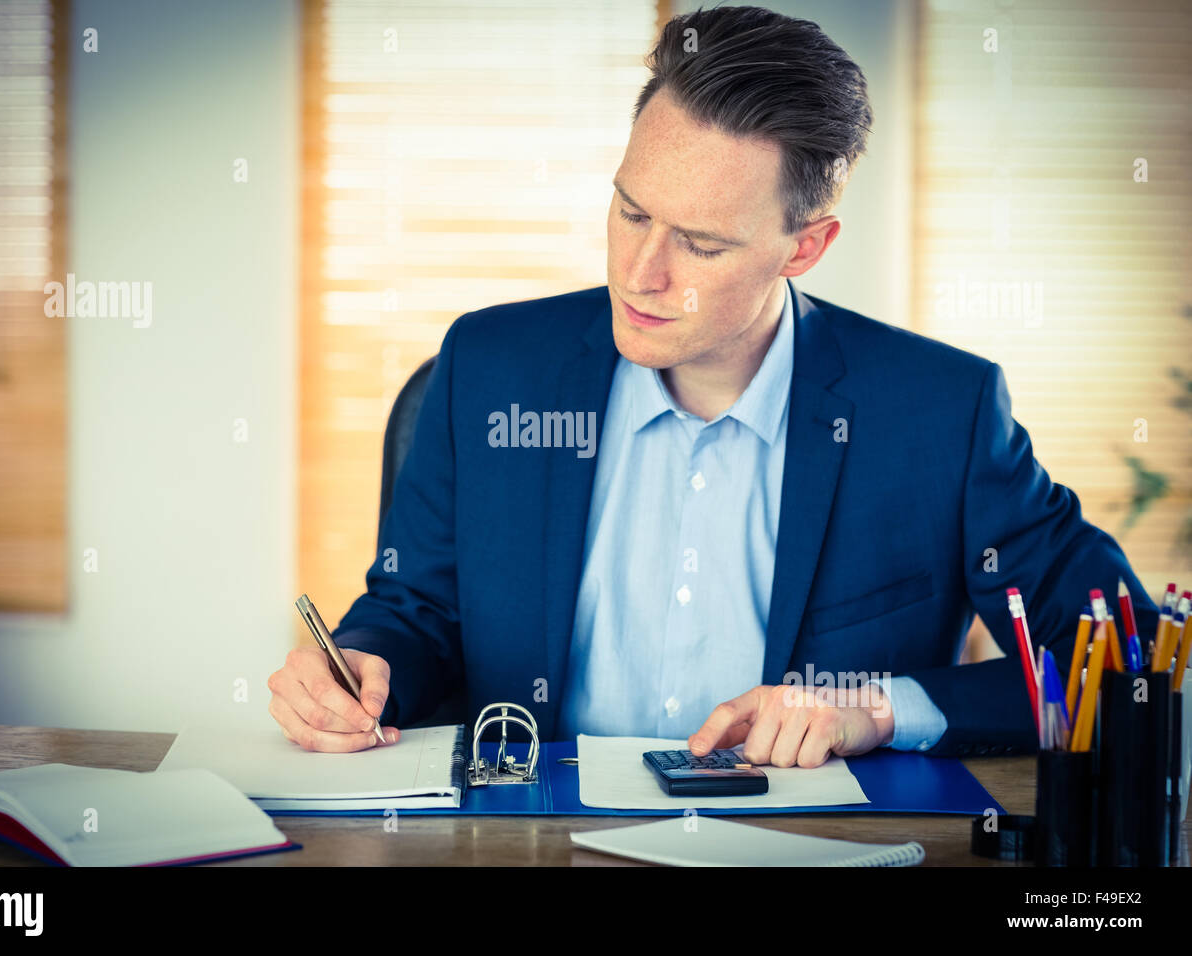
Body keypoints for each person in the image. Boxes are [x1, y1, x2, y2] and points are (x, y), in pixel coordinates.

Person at [267, 5, 1158, 766]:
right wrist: (362, 665)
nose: (640, 273)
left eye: (701, 244)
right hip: (525, 842)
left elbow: (1129, 659)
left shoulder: (939, 413)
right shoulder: (490, 367)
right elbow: (413, 610)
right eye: (631, 211)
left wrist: (878, 708)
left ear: (804, 246)